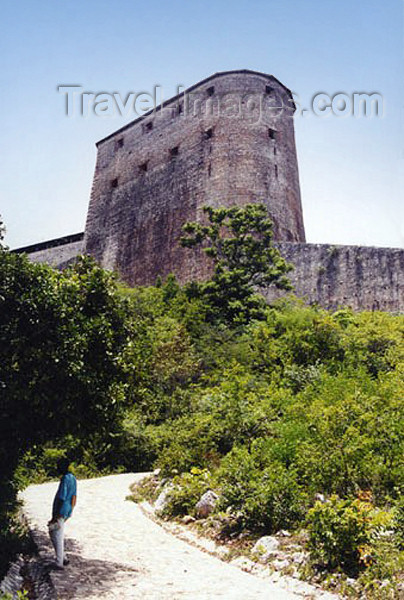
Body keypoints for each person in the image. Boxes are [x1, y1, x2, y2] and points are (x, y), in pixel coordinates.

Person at [48, 457, 77, 569]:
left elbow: (61, 497)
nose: (57, 468)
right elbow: (74, 496)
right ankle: (63, 557)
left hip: (60, 510)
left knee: (56, 535)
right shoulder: (73, 478)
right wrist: (71, 510)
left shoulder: (65, 479)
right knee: (55, 533)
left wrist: (55, 515)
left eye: (58, 466)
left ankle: (59, 562)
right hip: (67, 509)